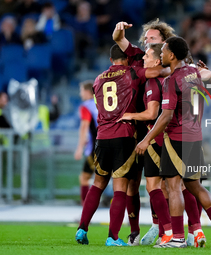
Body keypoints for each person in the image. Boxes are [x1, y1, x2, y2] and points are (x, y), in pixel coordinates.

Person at [113, 20, 206, 247]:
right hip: (162, 131)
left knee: (175, 184)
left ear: (164, 45)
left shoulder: (168, 68)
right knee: (163, 184)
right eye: (145, 39)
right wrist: (119, 30)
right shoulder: (148, 61)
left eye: (152, 40)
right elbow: (118, 39)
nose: (146, 43)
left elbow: (200, 74)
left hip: (166, 130)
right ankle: (174, 229)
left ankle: (183, 230)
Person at [136, 36, 211, 248]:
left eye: (163, 51)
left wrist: (146, 139)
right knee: (194, 185)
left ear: (171, 55)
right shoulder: (194, 74)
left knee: (173, 187)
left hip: (177, 138)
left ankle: (178, 237)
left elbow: (166, 116)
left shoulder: (172, 80)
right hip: (195, 137)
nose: (161, 54)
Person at [75, 44, 153, 246]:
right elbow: (157, 71)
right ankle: (113, 237)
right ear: (127, 59)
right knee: (120, 188)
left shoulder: (98, 79)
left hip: (102, 137)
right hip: (124, 135)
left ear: (110, 61)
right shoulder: (133, 73)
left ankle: (82, 229)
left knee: (97, 184)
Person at [74, 80, 98, 205]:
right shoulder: (102, 104)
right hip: (111, 145)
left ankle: (86, 210)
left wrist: (79, 148)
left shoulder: (86, 106)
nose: (80, 94)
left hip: (95, 149)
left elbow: (84, 127)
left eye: (81, 91)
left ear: (88, 92)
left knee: (84, 178)